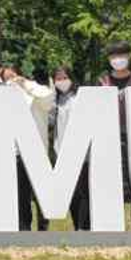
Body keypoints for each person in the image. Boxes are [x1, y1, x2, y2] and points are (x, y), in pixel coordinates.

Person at [98, 40, 131, 231]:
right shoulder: (103, 80)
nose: (117, 59)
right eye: (113, 56)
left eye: (121, 55)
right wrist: (103, 96)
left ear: (129, 57)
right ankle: (109, 223)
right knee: (111, 180)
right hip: (110, 136)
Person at [1, 63, 55, 231]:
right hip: (16, 152)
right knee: (21, 193)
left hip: (38, 150)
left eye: (12, 77)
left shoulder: (35, 89)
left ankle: (43, 226)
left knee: (42, 193)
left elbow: (48, 100)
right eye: (6, 79)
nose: (10, 81)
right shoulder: (4, 98)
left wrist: (25, 84)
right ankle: (24, 227)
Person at [52, 66, 90, 231]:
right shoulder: (56, 101)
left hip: (81, 154)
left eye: (64, 77)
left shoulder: (79, 98)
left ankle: (85, 227)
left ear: (72, 79)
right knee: (71, 194)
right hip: (62, 153)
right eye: (58, 78)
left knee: (83, 191)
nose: (61, 81)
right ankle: (77, 226)